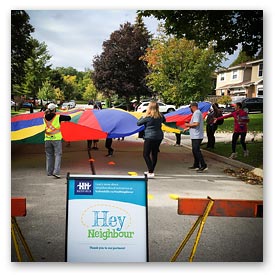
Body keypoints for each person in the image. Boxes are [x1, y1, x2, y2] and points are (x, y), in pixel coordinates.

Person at [137, 101, 166, 178]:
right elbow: (164, 121)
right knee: (154, 153)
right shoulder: (161, 116)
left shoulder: (147, 117)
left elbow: (138, 123)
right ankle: (151, 170)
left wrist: (143, 116)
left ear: (149, 107)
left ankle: (150, 171)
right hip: (159, 136)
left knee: (146, 154)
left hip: (149, 137)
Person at [44, 103, 71, 178]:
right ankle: (56, 172)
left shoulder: (44, 116)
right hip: (56, 139)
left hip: (47, 139)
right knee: (58, 155)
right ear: (54, 109)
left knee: (49, 155)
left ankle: (49, 172)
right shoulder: (58, 117)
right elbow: (69, 118)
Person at [185, 102, 208, 172]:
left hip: (197, 135)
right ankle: (196, 165)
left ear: (193, 107)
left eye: (190, 108)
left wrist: (188, 125)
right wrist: (188, 128)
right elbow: (194, 123)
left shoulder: (197, 113)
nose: (190, 109)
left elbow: (196, 124)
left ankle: (203, 165)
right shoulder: (196, 113)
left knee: (196, 150)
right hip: (195, 135)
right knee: (194, 150)